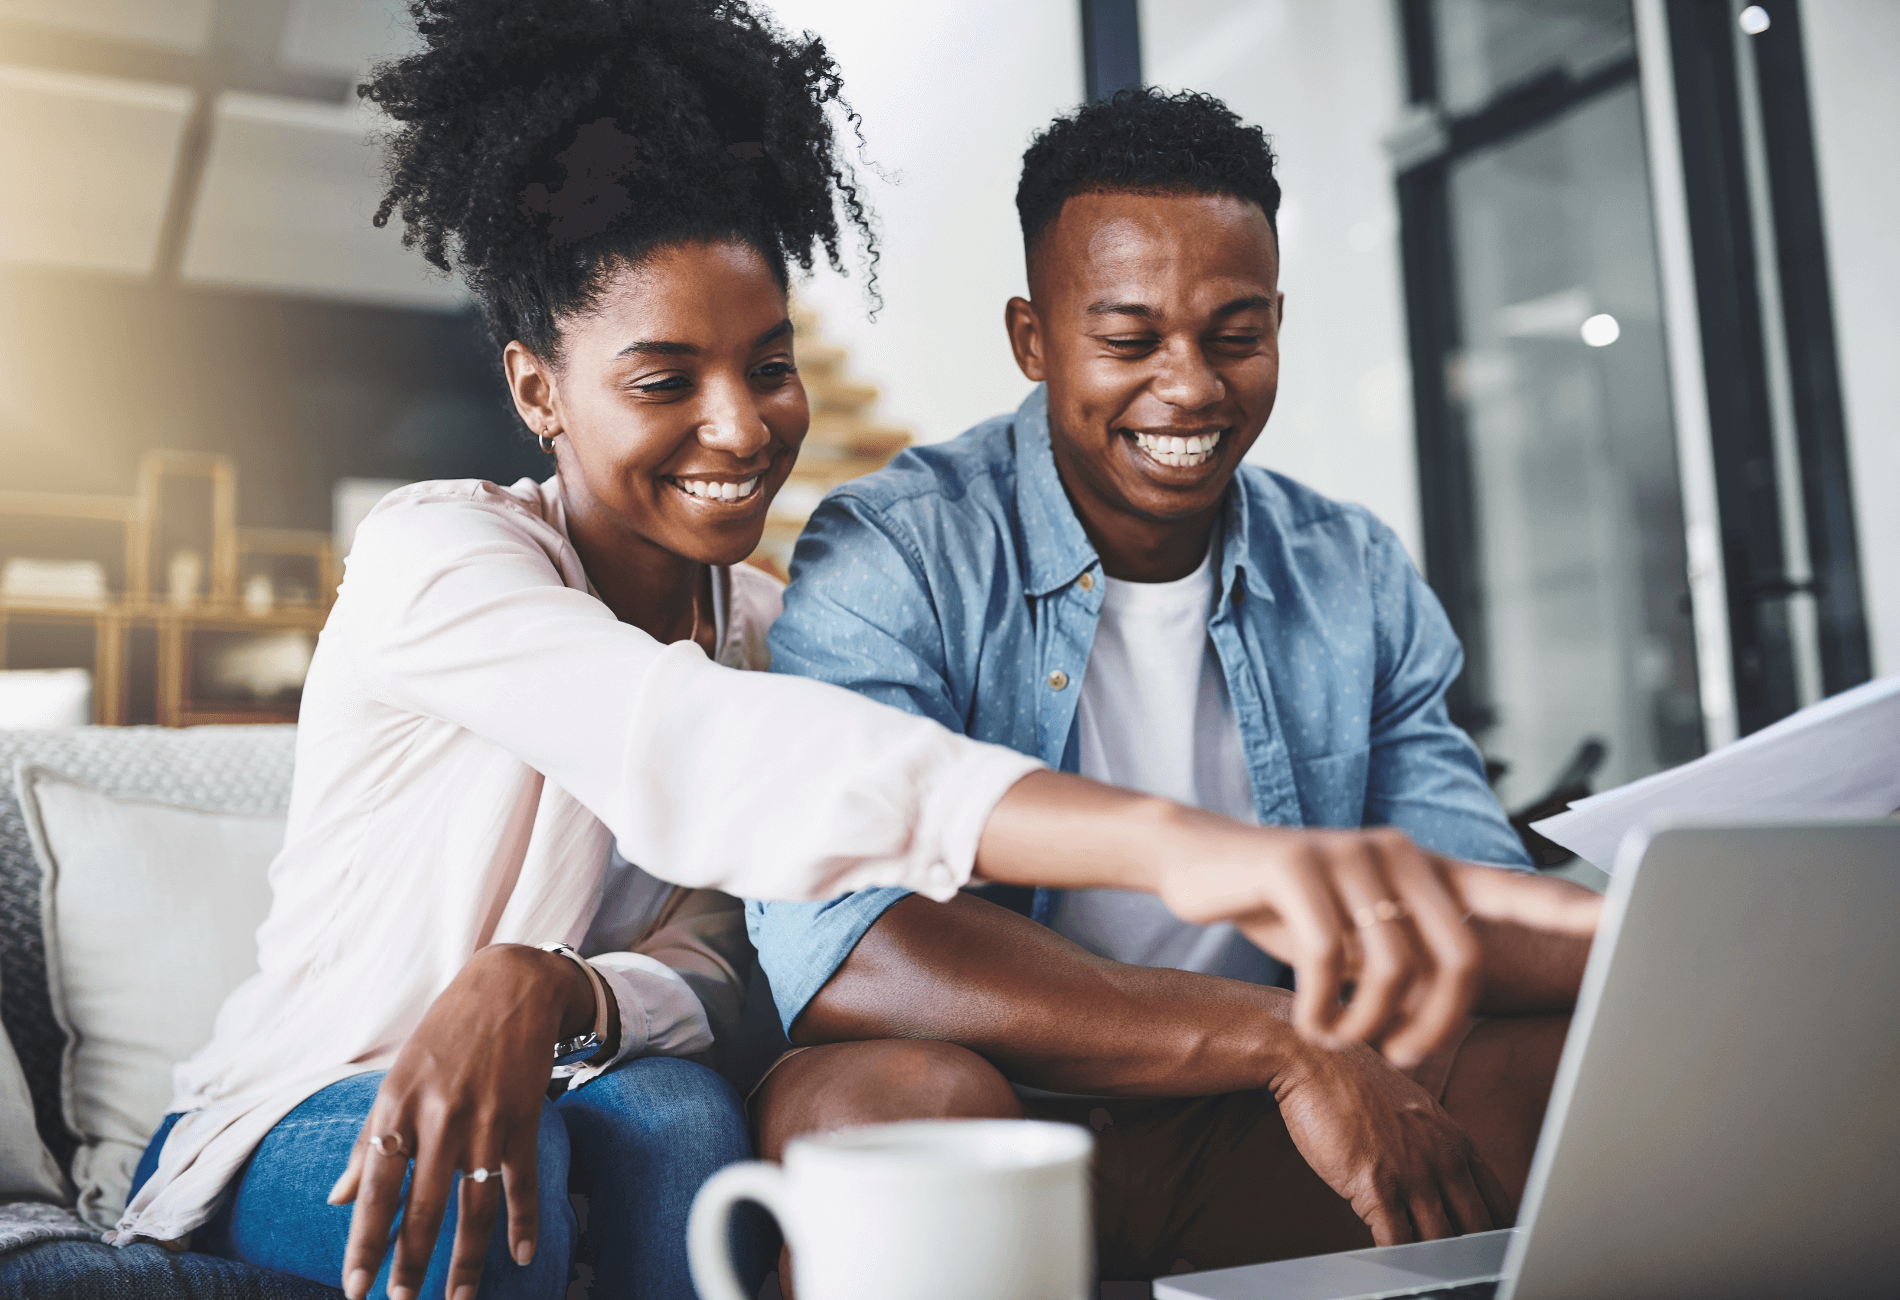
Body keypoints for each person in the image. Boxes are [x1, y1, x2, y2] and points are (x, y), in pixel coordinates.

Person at [106, 9, 1596, 1300]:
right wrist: (1187, 853)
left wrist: (556, 987)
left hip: (582, 1061)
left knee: (685, 1126)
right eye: (663, 379)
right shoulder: (443, 560)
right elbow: (715, 762)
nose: (742, 424)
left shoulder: (758, 625)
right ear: (537, 388)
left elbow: (726, 956)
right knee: (521, 1170)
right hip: (310, 1094)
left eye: (767, 368)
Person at [747, 88, 1601, 1286]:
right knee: (898, 1102)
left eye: (1234, 335)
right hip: (1008, 1108)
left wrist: (1663, 934)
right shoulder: (893, 553)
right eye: (1131, 339)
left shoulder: (1348, 569)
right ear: (1033, 339)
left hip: (1264, 1122)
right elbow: (852, 951)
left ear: (1277, 324)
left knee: (1581, 1066)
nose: (1191, 386)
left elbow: (1456, 902)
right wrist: (1281, 1041)